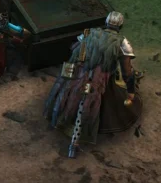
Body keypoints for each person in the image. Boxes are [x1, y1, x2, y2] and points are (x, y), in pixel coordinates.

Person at [44, 11, 143, 157]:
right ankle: (74, 143)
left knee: (73, 96)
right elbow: (127, 72)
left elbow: (75, 49)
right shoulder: (122, 42)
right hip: (97, 79)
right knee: (87, 103)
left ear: (106, 22)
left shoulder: (89, 33)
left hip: (79, 73)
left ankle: (63, 124)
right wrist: (131, 91)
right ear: (120, 26)